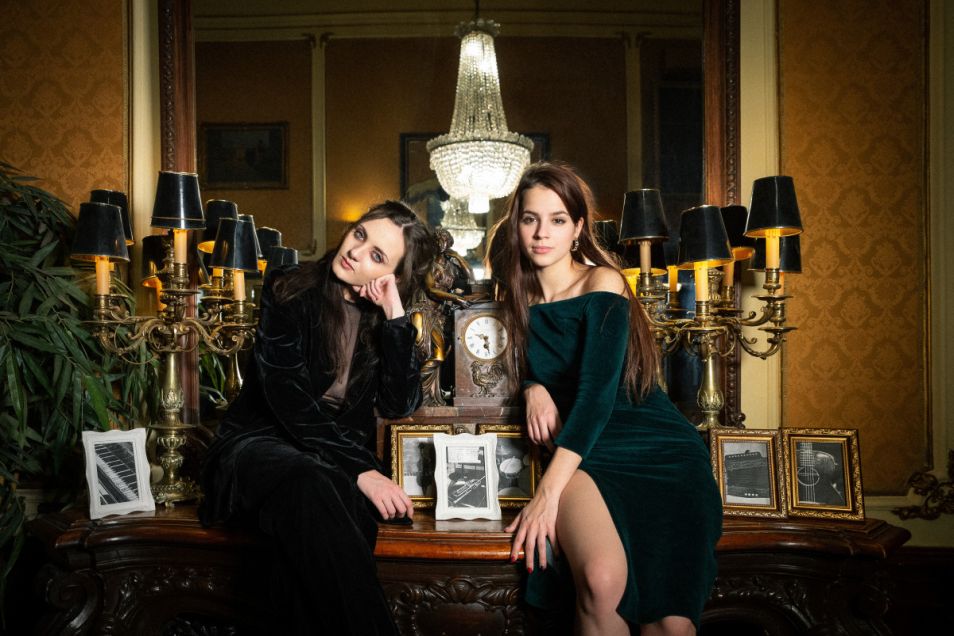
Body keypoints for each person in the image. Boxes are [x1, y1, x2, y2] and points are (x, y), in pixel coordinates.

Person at [489, 162, 723, 635]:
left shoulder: (603, 282)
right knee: (600, 581)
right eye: (530, 218)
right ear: (516, 225)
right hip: (586, 453)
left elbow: (596, 394)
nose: (542, 233)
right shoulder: (513, 298)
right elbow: (522, 368)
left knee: (670, 624)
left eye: (557, 220)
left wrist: (545, 495)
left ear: (578, 228)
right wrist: (532, 387)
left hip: (659, 449)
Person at [199, 201, 434, 635]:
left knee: (328, 509)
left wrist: (395, 318)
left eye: (377, 255)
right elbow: (287, 397)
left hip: (328, 467)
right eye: (360, 234)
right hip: (259, 446)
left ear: (394, 276)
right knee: (313, 481)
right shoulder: (289, 288)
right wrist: (361, 469)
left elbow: (399, 403)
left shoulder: (382, 320)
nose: (355, 252)